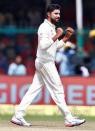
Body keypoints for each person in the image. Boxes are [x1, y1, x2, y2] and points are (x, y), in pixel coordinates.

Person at [11, 4, 85, 127]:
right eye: (55, 13)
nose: (58, 16)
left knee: (33, 90)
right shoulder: (44, 27)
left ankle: (18, 115)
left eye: (59, 13)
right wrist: (58, 35)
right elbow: (44, 45)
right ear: (48, 14)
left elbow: (54, 47)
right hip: (45, 62)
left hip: (44, 61)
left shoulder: (52, 27)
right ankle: (69, 118)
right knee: (58, 89)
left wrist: (65, 38)